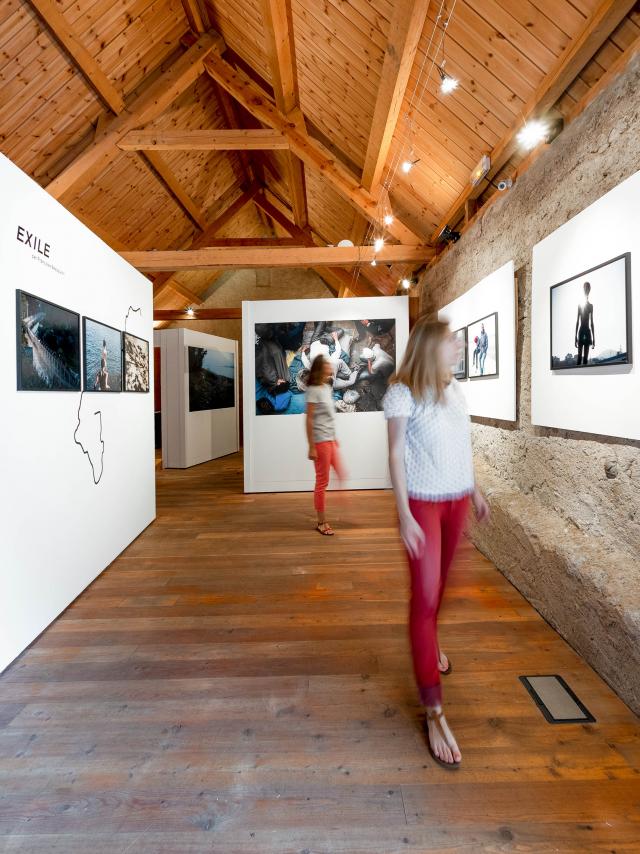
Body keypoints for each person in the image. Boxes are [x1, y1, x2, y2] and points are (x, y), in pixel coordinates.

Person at [383, 318, 489, 769]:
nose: (460, 344)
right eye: (451, 340)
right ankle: (434, 710)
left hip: (457, 501)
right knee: (424, 601)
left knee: (441, 590)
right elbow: (395, 454)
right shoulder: (403, 393)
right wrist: (404, 514)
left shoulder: (456, 390)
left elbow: (460, 445)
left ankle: (433, 645)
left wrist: (475, 488)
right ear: (429, 347)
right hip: (424, 504)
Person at [306, 354, 345, 536]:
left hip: (329, 439)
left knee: (341, 473)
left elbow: (328, 417)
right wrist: (311, 446)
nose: (331, 366)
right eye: (328, 364)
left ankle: (336, 503)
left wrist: (334, 436)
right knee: (322, 481)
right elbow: (309, 419)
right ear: (321, 368)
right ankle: (321, 522)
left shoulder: (325, 387)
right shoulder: (314, 390)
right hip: (320, 441)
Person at [575, 281, 595, 366]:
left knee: (585, 360)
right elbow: (577, 321)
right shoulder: (580, 305)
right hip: (581, 331)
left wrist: (594, 339)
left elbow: (592, 322)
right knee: (579, 358)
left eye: (588, 288)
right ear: (583, 290)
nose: (586, 289)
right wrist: (575, 336)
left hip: (587, 332)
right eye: (585, 288)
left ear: (589, 290)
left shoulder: (591, 306)